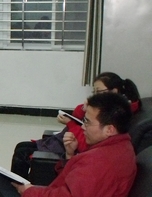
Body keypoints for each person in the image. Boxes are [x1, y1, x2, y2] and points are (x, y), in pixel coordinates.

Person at [0, 92, 136, 197]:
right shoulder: (119, 148)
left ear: (109, 129)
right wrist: (70, 156)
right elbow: (79, 188)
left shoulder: (100, 161)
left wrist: (28, 192)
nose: (83, 127)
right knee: (1, 185)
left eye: (87, 122)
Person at [11, 72, 140, 179]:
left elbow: (84, 142)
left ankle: (17, 188)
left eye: (99, 91)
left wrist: (70, 123)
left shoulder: (116, 115)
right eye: (94, 92)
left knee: (22, 152)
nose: (96, 95)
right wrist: (86, 108)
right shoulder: (108, 109)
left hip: (72, 145)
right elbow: (78, 115)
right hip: (69, 144)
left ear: (114, 91)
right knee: (21, 147)